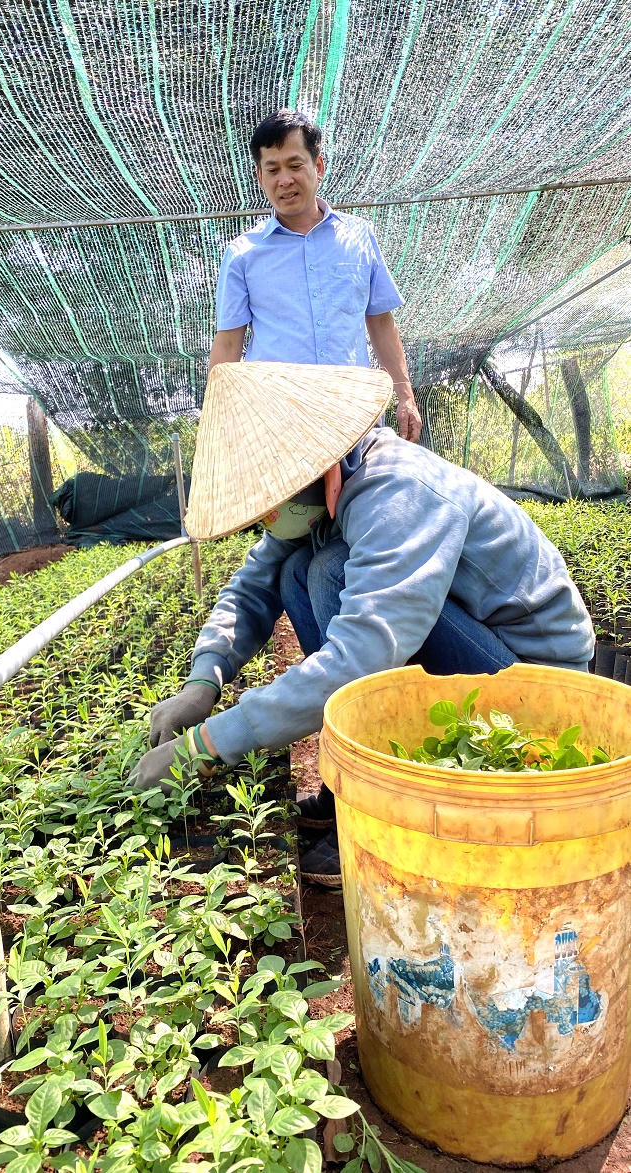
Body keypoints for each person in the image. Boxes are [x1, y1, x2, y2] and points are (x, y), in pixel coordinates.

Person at [130, 361, 595, 886]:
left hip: (535, 682)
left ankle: (381, 811)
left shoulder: (398, 491)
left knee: (328, 570)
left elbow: (363, 655)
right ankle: (350, 788)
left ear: (323, 468)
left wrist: (208, 744)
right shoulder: (318, 495)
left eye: (274, 505)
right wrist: (203, 682)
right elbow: (249, 589)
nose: (270, 520)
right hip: (476, 651)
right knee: (295, 571)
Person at [207, 108, 422, 443]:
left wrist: (405, 395)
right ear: (260, 177)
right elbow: (229, 343)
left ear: (318, 166)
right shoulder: (243, 254)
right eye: (272, 169)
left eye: (295, 165)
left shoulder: (358, 237)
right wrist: (216, 425)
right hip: (278, 425)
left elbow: (381, 321)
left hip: (355, 417)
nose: (284, 180)